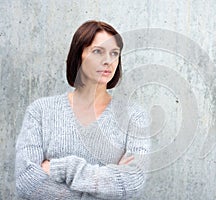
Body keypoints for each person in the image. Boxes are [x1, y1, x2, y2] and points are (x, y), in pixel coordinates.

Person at [15, 20, 151, 199]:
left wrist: (62, 168)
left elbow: (133, 181)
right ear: (78, 55)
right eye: (97, 52)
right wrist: (105, 185)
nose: (108, 61)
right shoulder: (40, 111)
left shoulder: (134, 116)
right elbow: (26, 180)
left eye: (114, 53)